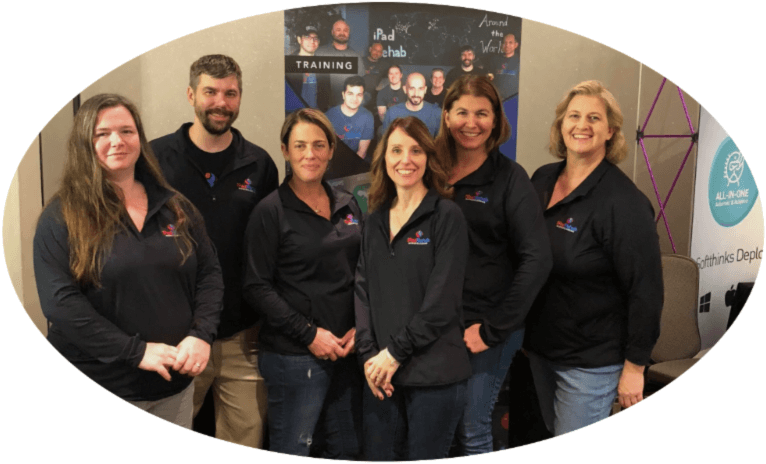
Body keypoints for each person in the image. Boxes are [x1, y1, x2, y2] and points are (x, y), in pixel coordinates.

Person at [33, 94, 224, 428]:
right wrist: (136, 352)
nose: (117, 141)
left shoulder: (175, 206)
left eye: (126, 131)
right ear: (84, 143)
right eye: (102, 133)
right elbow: (60, 304)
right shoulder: (61, 216)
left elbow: (209, 273)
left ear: (140, 138)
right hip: (99, 388)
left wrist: (201, 334)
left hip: (172, 388)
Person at [151, 54, 278, 448]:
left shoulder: (260, 164)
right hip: (176, 335)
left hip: (243, 336)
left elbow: (269, 248)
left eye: (230, 93)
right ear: (191, 95)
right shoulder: (154, 160)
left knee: (245, 442)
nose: (221, 102)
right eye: (210, 91)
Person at [525, 80, 663, 436]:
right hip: (540, 349)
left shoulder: (624, 203)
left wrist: (635, 367)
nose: (581, 125)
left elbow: (646, 290)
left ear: (610, 131)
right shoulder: (542, 179)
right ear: (561, 124)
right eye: (573, 116)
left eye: (594, 118)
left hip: (590, 363)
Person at [434, 74, 552, 455]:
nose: (471, 123)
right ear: (446, 115)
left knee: (472, 426)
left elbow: (538, 258)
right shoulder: (431, 171)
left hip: (487, 325)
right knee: (439, 425)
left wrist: (492, 329)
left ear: (497, 119)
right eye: (462, 112)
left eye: (482, 113)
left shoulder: (510, 178)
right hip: (438, 326)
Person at [243, 108, 364, 458]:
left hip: (347, 351)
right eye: (300, 146)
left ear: (331, 150)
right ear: (285, 150)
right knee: (295, 449)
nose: (310, 154)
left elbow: (362, 272)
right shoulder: (270, 211)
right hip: (295, 356)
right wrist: (309, 334)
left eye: (318, 145)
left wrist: (361, 328)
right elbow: (256, 286)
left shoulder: (347, 204)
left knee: (346, 449)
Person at [355, 116, 471, 461]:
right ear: (384, 158)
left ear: (428, 157)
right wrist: (369, 356)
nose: (405, 160)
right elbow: (362, 290)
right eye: (396, 150)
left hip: (433, 376)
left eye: (416, 150)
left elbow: (442, 301)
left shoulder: (446, 216)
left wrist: (394, 353)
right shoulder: (374, 219)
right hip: (380, 375)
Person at [316, 18, 364, 109]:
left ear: (349, 33)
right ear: (332, 32)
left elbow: (360, 85)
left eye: (345, 30)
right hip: (323, 108)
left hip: (347, 109)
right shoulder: (320, 53)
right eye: (338, 30)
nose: (342, 33)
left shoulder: (356, 57)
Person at [325, 75, 375, 159]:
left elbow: (362, 152)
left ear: (363, 97)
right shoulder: (328, 116)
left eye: (359, 95)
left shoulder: (367, 116)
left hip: (356, 159)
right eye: (350, 94)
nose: (354, 99)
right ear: (343, 95)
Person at [381, 72, 441, 137]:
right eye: (412, 89)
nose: (416, 94)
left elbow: (441, 142)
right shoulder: (392, 113)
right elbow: (385, 141)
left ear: (425, 90)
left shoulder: (436, 113)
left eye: (420, 89)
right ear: (405, 89)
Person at [286, 24, 322, 108]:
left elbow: (326, 95)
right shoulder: (287, 63)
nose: (312, 41)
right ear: (299, 40)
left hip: (316, 113)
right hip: (295, 113)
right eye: (307, 37)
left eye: (315, 38)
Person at [487, 33, 520, 99]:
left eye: (510, 42)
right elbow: (490, 76)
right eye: (505, 43)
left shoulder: (520, 61)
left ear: (516, 45)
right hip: (498, 99)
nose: (507, 45)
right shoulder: (495, 60)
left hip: (513, 100)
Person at [363, 42, 389, 111]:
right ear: (370, 49)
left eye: (379, 52)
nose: (377, 53)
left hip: (375, 99)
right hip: (361, 96)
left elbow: (388, 79)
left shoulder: (384, 65)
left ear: (382, 53)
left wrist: (381, 86)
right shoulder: (361, 61)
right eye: (375, 50)